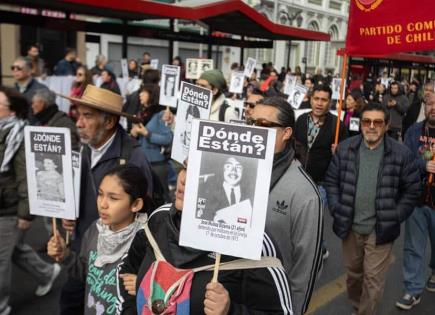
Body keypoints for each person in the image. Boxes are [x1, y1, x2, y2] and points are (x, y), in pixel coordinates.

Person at [119, 169, 293, 315]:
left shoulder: (252, 243)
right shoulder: (160, 219)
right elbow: (126, 270)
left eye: (199, 171)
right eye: (185, 166)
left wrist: (231, 311)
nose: (184, 179)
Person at [58, 85, 153, 314]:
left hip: (117, 264)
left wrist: (140, 271)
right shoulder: (84, 149)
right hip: (85, 247)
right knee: (71, 302)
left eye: (87, 116)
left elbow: (146, 213)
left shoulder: (133, 158)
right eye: (78, 114)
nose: (79, 122)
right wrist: (70, 213)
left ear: (109, 122)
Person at [324, 102, 421, 315]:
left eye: (378, 122)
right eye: (367, 121)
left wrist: (394, 216)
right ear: (361, 124)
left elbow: (412, 190)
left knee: (373, 280)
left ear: (386, 126)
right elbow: (331, 182)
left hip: (381, 230)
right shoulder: (345, 149)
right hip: (350, 226)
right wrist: (336, 208)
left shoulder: (401, 154)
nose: (371, 126)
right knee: (354, 275)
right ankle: (358, 307)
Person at [248, 97, 323, 315]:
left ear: (286, 133)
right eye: (252, 123)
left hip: (270, 303)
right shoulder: (237, 170)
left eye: (264, 125)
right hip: (228, 297)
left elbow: (305, 270)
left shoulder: (304, 193)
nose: (255, 131)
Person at [48, 165, 149, 315]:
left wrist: (147, 288)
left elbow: (164, 296)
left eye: (113, 198)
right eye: (100, 194)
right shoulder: (95, 229)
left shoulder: (146, 242)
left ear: (136, 204)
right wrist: (65, 255)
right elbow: (86, 273)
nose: (103, 204)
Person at [0, 87, 61, 315]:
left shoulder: (19, 136)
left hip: (10, 207)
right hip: (2, 202)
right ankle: (46, 272)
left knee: (1, 259)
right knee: (13, 250)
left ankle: (1, 306)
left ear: (12, 111)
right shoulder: (1, 131)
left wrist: (25, 214)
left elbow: (26, 178)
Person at [396, 89, 435, 310]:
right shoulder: (413, 131)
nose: (433, 108)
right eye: (429, 103)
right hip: (418, 199)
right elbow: (406, 160)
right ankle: (412, 289)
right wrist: (424, 165)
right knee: (413, 246)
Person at [130, 84, 173, 202]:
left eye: (143, 92)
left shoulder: (161, 114)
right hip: (142, 161)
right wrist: (134, 133)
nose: (140, 95)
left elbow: (168, 139)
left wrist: (146, 133)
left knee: (162, 195)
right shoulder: (142, 112)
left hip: (157, 163)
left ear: (151, 95)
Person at [196, 156, 252, 222]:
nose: (233, 171)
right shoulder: (205, 191)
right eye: (228, 166)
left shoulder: (251, 194)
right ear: (222, 169)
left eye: (238, 167)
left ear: (243, 170)